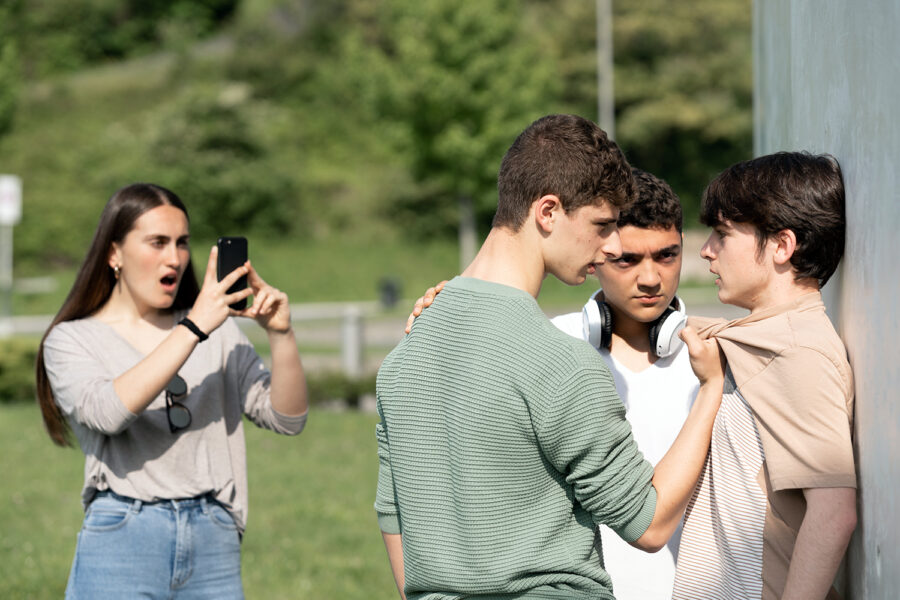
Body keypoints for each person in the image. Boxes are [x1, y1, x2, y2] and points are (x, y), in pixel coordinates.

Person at [375, 114, 724, 600]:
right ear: (548, 212)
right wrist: (712, 390)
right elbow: (649, 522)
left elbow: (395, 516)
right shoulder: (561, 363)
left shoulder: (407, 352)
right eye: (602, 225)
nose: (612, 246)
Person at [35, 183, 309, 598]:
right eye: (157, 242)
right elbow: (108, 413)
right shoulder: (71, 340)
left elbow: (287, 419)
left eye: (182, 243)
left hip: (212, 537)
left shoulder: (216, 330)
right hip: (122, 535)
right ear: (114, 254)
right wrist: (194, 327)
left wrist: (281, 335)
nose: (175, 258)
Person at [671, 152, 857, 600]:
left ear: (781, 246)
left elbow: (834, 511)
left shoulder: (798, 352)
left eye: (723, 234)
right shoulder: (763, 339)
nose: (706, 250)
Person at [550, 168, 696, 600]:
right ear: (595, 255)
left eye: (666, 256)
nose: (651, 279)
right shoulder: (552, 345)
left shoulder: (717, 357)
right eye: (627, 260)